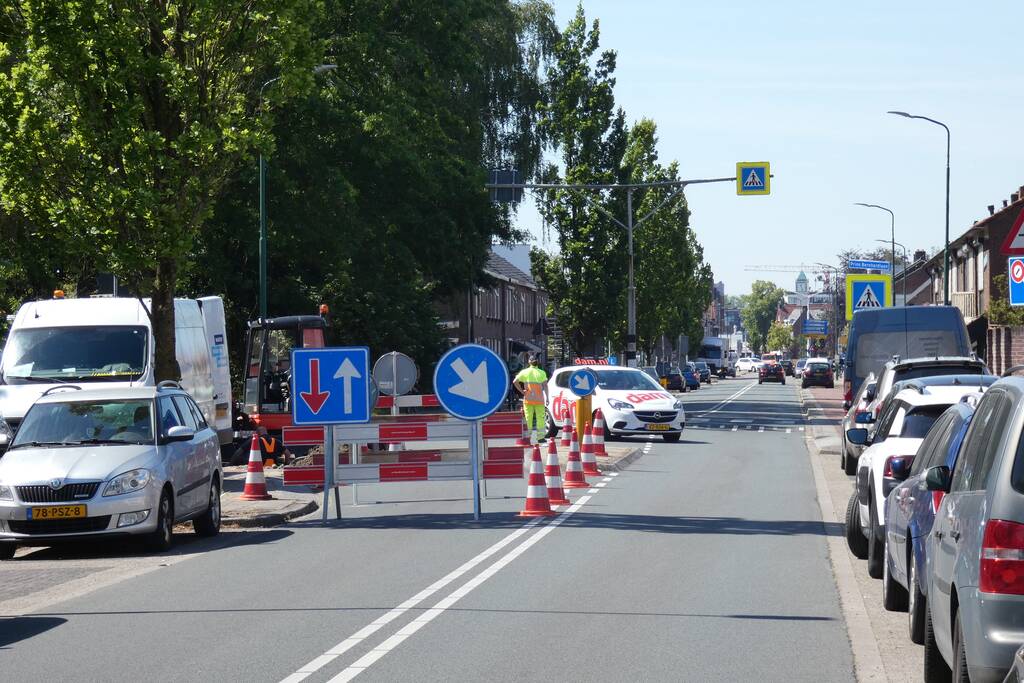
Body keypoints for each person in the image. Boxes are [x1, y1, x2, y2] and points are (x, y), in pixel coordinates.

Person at [513, 354, 549, 443]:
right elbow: (545, 386)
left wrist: (522, 391)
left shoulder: (524, 372)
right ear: (537, 363)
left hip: (528, 399)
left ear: (529, 362)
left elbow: (515, 382)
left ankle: (527, 437)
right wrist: (547, 397)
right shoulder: (541, 373)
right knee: (540, 418)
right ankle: (540, 438)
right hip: (539, 400)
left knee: (528, 418)